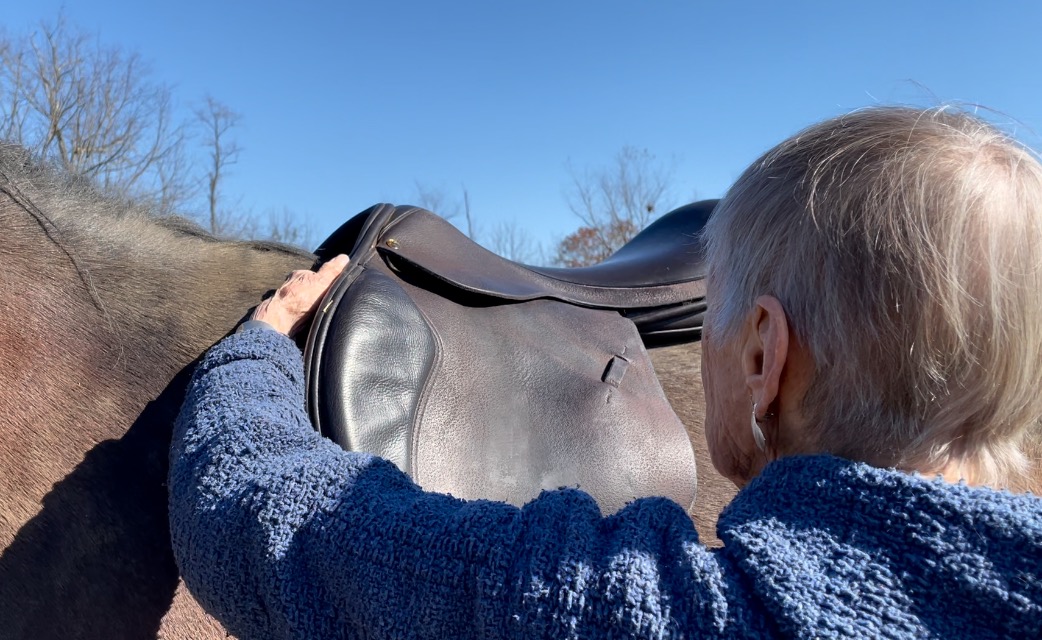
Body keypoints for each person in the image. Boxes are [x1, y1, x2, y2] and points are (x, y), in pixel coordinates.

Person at [169, 106, 1042, 639]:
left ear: (763, 358)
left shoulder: (639, 610)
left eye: (716, 321)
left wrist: (260, 347)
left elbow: (276, 525)